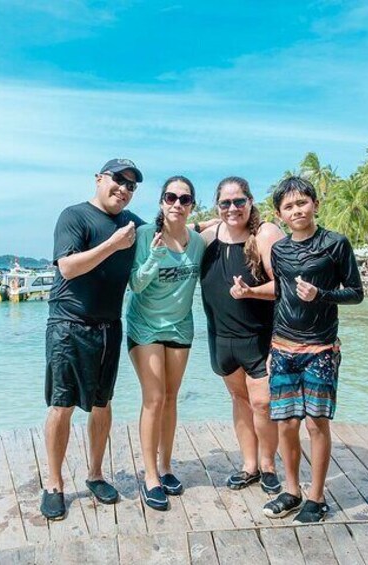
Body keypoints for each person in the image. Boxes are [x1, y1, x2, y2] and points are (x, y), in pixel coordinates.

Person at [41, 158, 144, 521]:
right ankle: (54, 483)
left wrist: (212, 224)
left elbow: (171, 228)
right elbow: (68, 267)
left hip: (108, 326)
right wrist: (114, 245)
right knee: (62, 404)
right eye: (118, 179)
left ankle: (96, 474)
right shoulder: (74, 216)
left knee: (103, 403)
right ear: (99, 179)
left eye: (131, 185)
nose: (124, 189)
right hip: (68, 325)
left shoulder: (132, 225)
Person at [263, 176, 363, 524]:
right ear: (280, 214)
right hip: (283, 348)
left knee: (316, 423)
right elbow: (281, 298)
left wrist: (322, 295)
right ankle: (291, 491)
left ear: (315, 205)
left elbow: (356, 293)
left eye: (302, 203)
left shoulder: (335, 244)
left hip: (321, 348)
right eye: (288, 206)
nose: (297, 210)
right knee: (286, 423)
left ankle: (317, 498)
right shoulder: (279, 250)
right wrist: (271, 346)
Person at [200, 176, 285, 495]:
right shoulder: (208, 238)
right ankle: (249, 465)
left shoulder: (265, 234)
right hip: (222, 337)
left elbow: (285, 285)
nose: (233, 208)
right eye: (225, 203)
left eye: (239, 201)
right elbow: (174, 233)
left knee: (262, 403)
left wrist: (251, 292)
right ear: (217, 206)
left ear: (250, 201)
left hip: (261, 336)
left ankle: (268, 465)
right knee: (239, 400)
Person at [126, 176, 206, 511]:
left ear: (192, 206)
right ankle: (150, 476)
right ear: (161, 202)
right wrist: (154, 258)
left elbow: (225, 230)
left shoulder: (198, 242)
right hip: (144, 325)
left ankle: (167, 466)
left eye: (184, 199)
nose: (177, 204)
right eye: (171, 197)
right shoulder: (146, 235)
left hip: (180, 327)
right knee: (155, 397)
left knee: (171, 398)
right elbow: (135, 285)